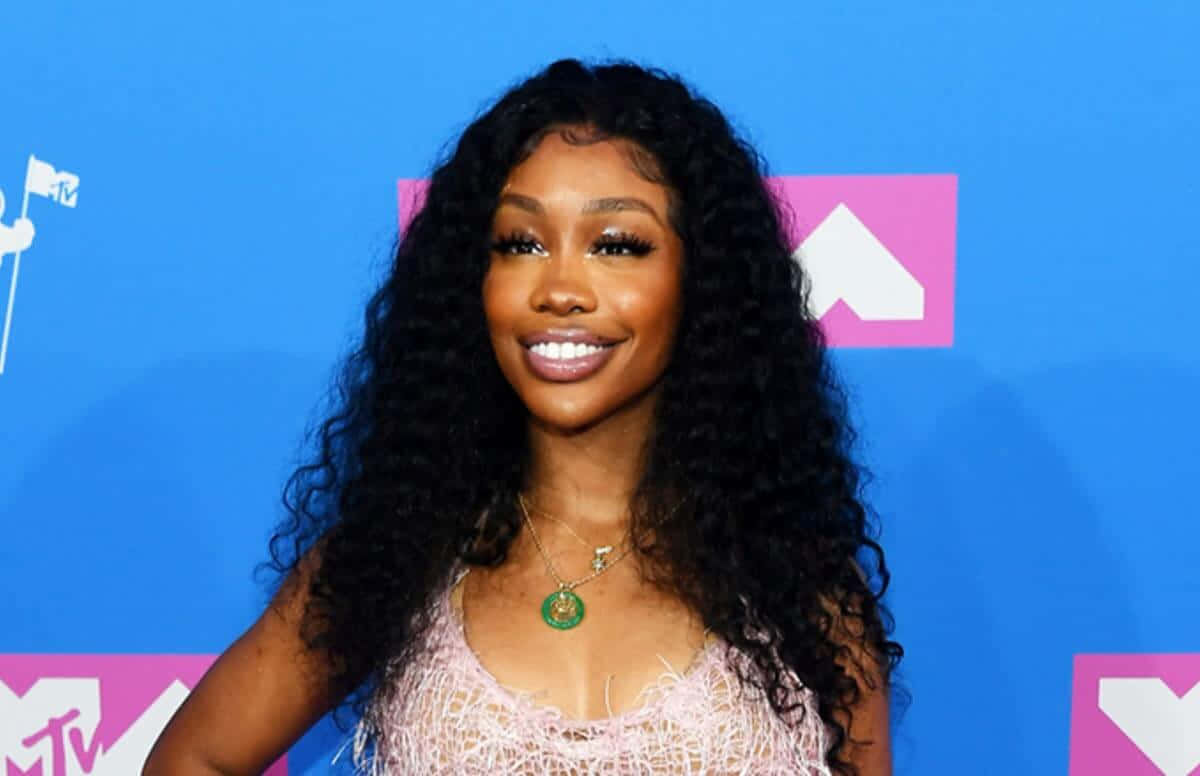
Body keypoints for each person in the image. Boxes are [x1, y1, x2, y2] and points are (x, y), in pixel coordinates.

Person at [143, 58, 903, 776]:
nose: (559, 289)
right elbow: (192, 759)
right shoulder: (394, 555)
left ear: (703, 283)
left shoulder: (801, 591)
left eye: (616, 245)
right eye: (520, 243)